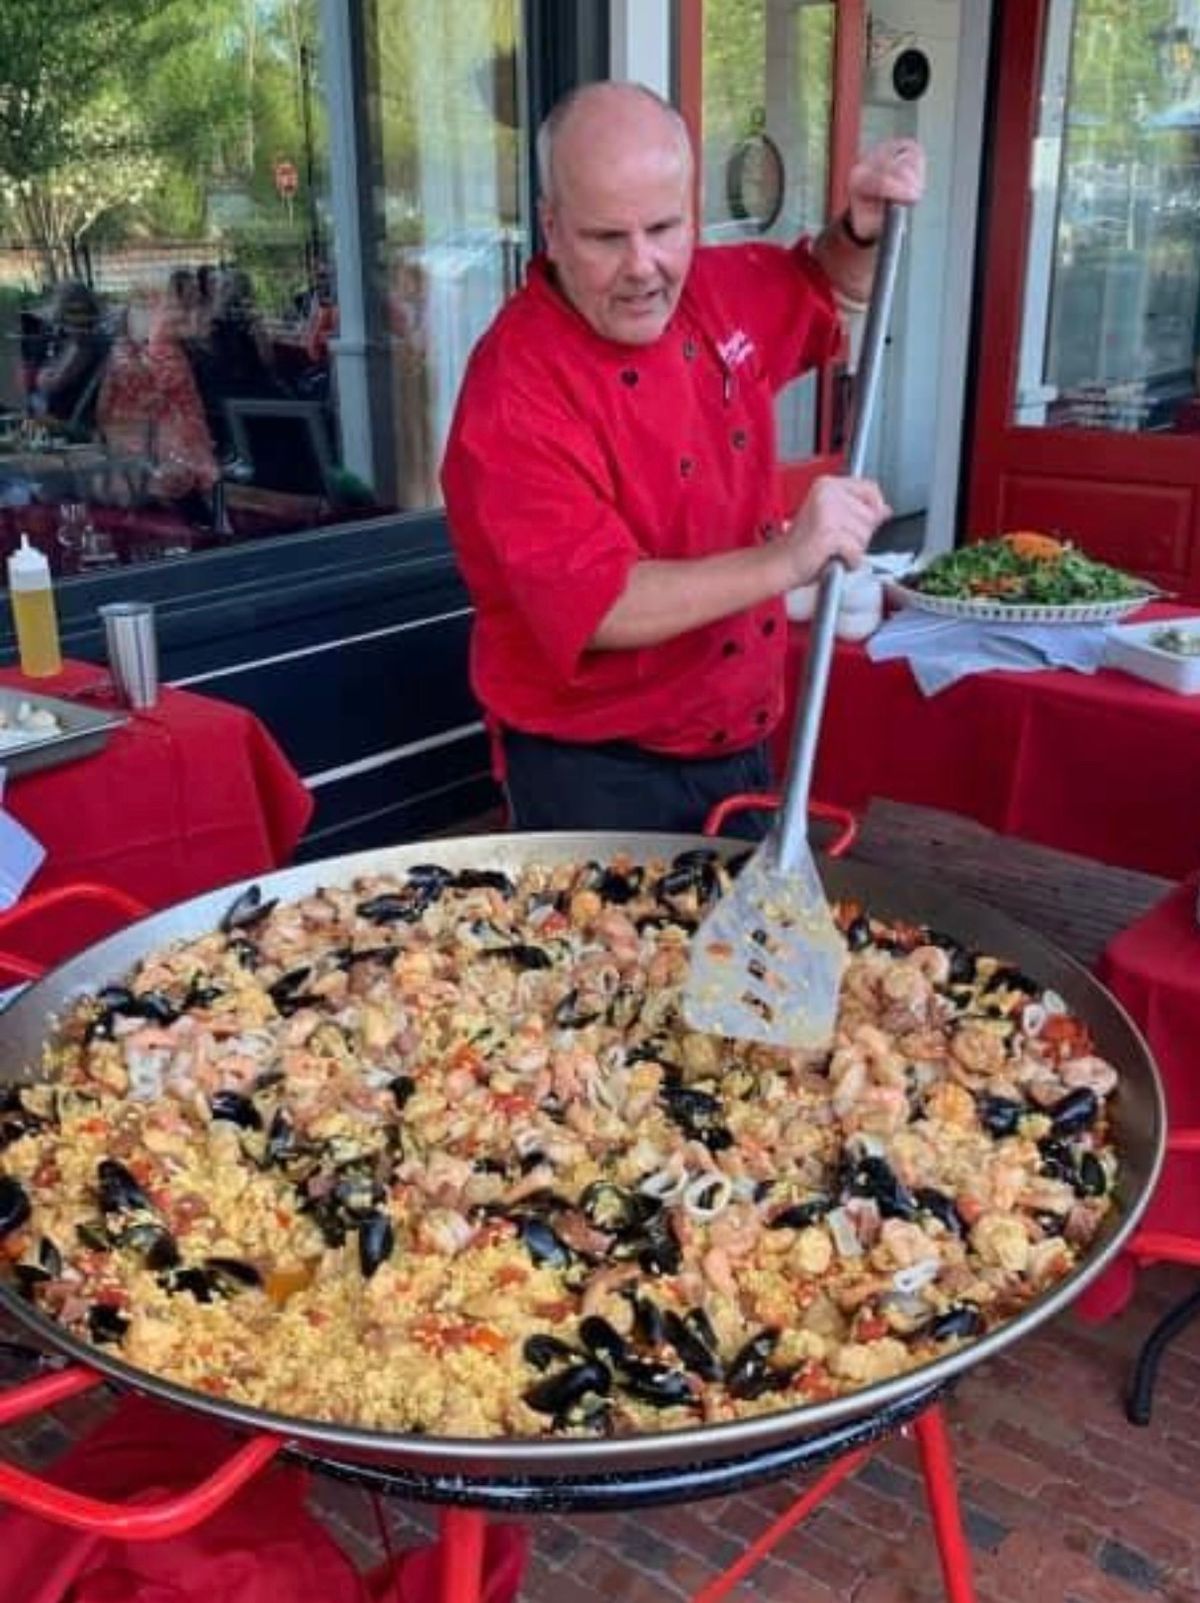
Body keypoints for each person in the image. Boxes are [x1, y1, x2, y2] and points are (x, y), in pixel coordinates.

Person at [441, 82, 924, 835]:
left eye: (665, 227)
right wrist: (789, 558)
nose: (644, 266)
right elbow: (600, 603)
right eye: (606, 237)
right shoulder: (514, 390)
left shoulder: (712, 289)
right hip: (597, 772)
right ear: (552, 227)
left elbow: (827, 284)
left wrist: (860, 230)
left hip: (743, 739)